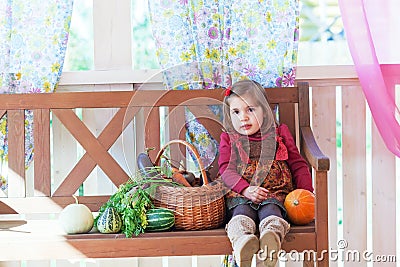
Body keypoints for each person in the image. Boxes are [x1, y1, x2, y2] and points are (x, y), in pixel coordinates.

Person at [218, 80, 313, 267]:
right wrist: (245, 189)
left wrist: (306, 193)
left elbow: (298, 164)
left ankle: (271, 242)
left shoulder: (278, 133)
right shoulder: (229, 138)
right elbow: (225, 170)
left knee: (272, 214)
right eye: (236, 112)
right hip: (241, 196)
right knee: (240, 215)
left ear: (264, 110)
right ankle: (242, 243)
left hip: (275, 195)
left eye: (250, 110)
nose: (243, 118)